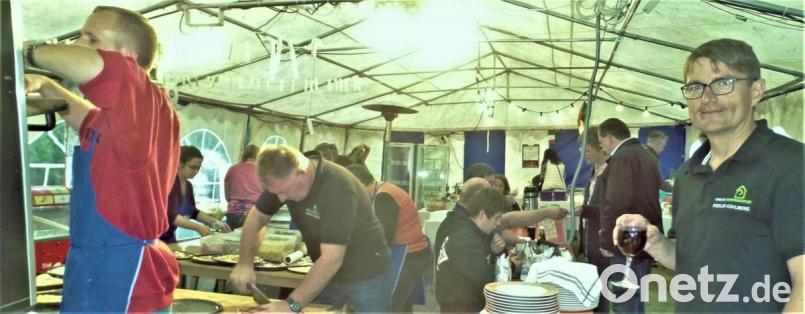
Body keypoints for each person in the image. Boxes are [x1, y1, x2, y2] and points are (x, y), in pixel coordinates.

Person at [615, 38, 803, 312]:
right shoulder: (689, 174)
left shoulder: (791, 165)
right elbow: (692, 263)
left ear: (756, 90)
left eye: (722, 83)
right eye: (695, 87)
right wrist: (658, 246)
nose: (707, 98)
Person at [23, 6, 179, 312]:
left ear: (129, 59)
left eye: (92, 39)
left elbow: (101, 67)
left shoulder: (142, 94)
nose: (79, 46)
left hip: (121, 271)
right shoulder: (122, 118)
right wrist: (47, 86)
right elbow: (83, 116)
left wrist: (25, 51)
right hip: (103, 262)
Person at [229, 145, 390, 312]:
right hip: (326, 272)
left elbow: (331, 259)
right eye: (275, 193)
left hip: (366, 270)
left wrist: (290, 305)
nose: (281, 198)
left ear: (302, 174)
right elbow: (257, 218)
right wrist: (245, 263)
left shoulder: (338, 188)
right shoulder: (282, 174)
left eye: (284, 192)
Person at [596, 117, 663, 313]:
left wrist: (607, 240)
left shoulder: (622, 157)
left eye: (601, 143)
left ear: (608, 138)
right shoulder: (645, 154)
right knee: (636, 298)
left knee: (624, 300)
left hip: (627, 241)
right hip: (645, 239)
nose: (603, 148)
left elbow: (616, 201)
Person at [346, 164, 432, 313]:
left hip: (408, 255)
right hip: (412, 253)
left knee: (390, 303)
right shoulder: (383, 189)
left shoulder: (384, 196)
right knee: (402, 304)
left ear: (360, 184)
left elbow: (383, 236)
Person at [435, 186, 509, 312]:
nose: (498, 223)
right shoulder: (463, 238)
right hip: (460, 308)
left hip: (469, 301)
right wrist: (510, 266)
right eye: (497, 218)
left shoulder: (477, 231)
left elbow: (478, 263)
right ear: (482, 215)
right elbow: (484, 276)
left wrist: (494, 252)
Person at [160, 146, 231, 244]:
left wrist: (215, 222)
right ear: (179, 163)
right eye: (193, 167)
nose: (196, 172)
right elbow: (171, 217)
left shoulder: (188, 186)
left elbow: (193, 212)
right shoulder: (170, 184)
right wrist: (199, 228)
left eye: (198, 168)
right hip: (157, 238)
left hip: (170, 235)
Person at [575, 128, 610, 313]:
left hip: (602, 243)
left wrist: (585, 210)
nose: (583, 154)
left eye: (586, 150)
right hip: (590, 241)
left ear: (599, 147)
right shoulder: (593, 171)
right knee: (593, 289)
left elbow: (611, 209)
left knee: (601, 290)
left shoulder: (610, 172)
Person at [224, 144, 262, 229]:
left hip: (233, 213)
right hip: (253, 214)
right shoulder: (261, 171)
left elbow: (227, 197)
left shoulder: (232, 169)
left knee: (231, 241)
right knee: (250, 242)